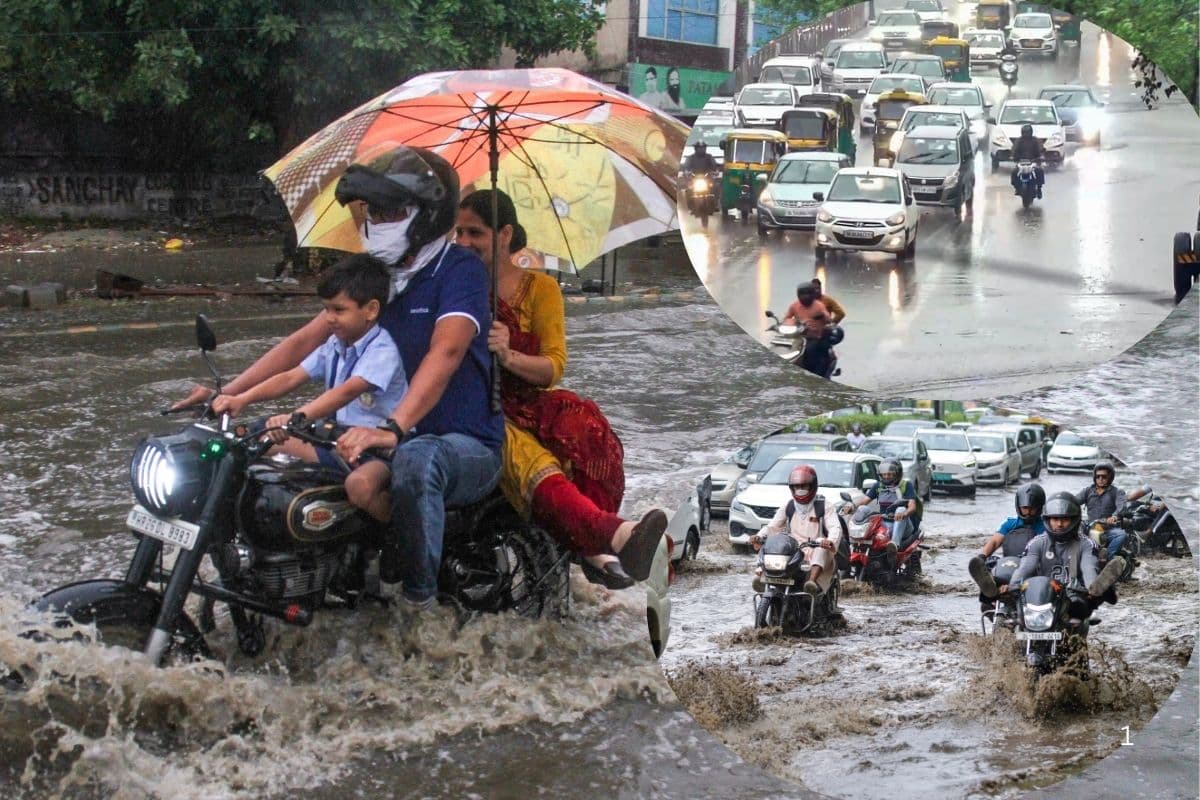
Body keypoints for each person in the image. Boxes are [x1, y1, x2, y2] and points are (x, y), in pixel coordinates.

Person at [170, 147, 664, 611]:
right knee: (262, 447)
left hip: (463, 440)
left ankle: (419, 603)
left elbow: (446, 351)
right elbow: (304, 342)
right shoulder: (376, 276)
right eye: (371, 212)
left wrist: (396, 426)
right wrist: (229, 393)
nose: (376, 223)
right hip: (380, 433)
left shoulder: (461, 271)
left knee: (418, 457)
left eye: (390, 212)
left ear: (426, 215)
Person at [454, 188, 667, 590]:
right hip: (475, 406)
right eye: (458, 233)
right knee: (521, 451)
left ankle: (590, 544)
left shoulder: (541, 289)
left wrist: (508, 355)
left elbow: (553, 367)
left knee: (584, 426)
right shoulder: (454, 289)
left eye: (475, 233)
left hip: (527, 400)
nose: (464, 242)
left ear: (505, 234)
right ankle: (607, 539)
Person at [210, 254, 406, 523]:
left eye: (339, 310)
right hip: (336, 440)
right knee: (255, 442)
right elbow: (290, 377)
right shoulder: (334, 345)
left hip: (377, 448)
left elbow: (346, 392)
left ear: (371, 310)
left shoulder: (382, 351)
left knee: (360, 486)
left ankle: (399, 535)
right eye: (326, 309)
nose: (329, 318)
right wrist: (240, 399)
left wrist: (295, 418)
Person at [973, 494, 1124, 622]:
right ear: (1048, 520)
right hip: (1039, 594)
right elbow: (1025, 568)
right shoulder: (1037, 542)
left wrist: (1093, 587)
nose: (1059, 524)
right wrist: (1011, 587)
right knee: (1011, 603)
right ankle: (994, 591)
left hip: (1071, 596)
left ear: (1074, 520)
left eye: (1065, 519)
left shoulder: (1086, 544)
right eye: (1055, 519)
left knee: (1080, 606)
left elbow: (1088, 568)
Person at [750, 464, 843, 596]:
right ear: (792, 488)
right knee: (769, 547)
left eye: (804, 486)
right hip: (794, 550)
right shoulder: (789, 505)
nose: (800, 490)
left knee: (820, 548)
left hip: (816, 548)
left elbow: (835, 527)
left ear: (812, 486)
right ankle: (761, 576)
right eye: (797, 487)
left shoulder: (824, 506)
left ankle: (811, 582)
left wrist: (829, 541)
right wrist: (759, 536)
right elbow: (772, 527)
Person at [967, 482, 1045, 613]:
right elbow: (994, 542)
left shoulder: (1046, 526)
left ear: (1040, 507)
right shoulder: (1010, 523)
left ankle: (1009, 591)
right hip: (1010, 565)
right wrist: (982, 557)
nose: (1028, 512)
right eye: (1025, 508)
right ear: (1018, 506)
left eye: (1032, 508)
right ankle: (994, 590)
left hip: (1034, 567)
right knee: (993, 564)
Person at [841, 458, 919, 555]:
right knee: (862, 509)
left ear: (897, 474)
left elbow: (912, 506)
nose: (886, 477)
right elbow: (864, 500)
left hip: (903, 525)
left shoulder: (906, 485)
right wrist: (852, 506)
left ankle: (894, 545)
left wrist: (904, 513)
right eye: (884, 474)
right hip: (884, 524)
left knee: (900, 509)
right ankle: (855, 542)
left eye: (890, 474)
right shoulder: (878, 486)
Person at [1074, 460, 1129, 563]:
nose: (1100, 479)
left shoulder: (1117, 492)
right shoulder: (1088, 491)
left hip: (1107, 529)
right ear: (1094, 477)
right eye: (1098, 476)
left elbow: (1121, 507)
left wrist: (1114, 517)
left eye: (1104, 477)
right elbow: (1073, 501)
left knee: (1121, 535)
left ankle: (1107, 558)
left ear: (1110, 477)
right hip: (1090, 527)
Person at [1009, 123, 1045, 198]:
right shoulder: (1018, 141)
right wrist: (1013, 156)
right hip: (1021, 162)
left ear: (1031, 132)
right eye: (1025, 133)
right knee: (1014, 172)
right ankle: (1017, 188)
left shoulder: (1035, 140)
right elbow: (1014, 150)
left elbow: (1040, 149)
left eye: (1027, 132)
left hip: (1033, 161)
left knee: (1039, 171)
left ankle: (1039, 189)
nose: (1026, 134)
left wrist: (1041, 156)